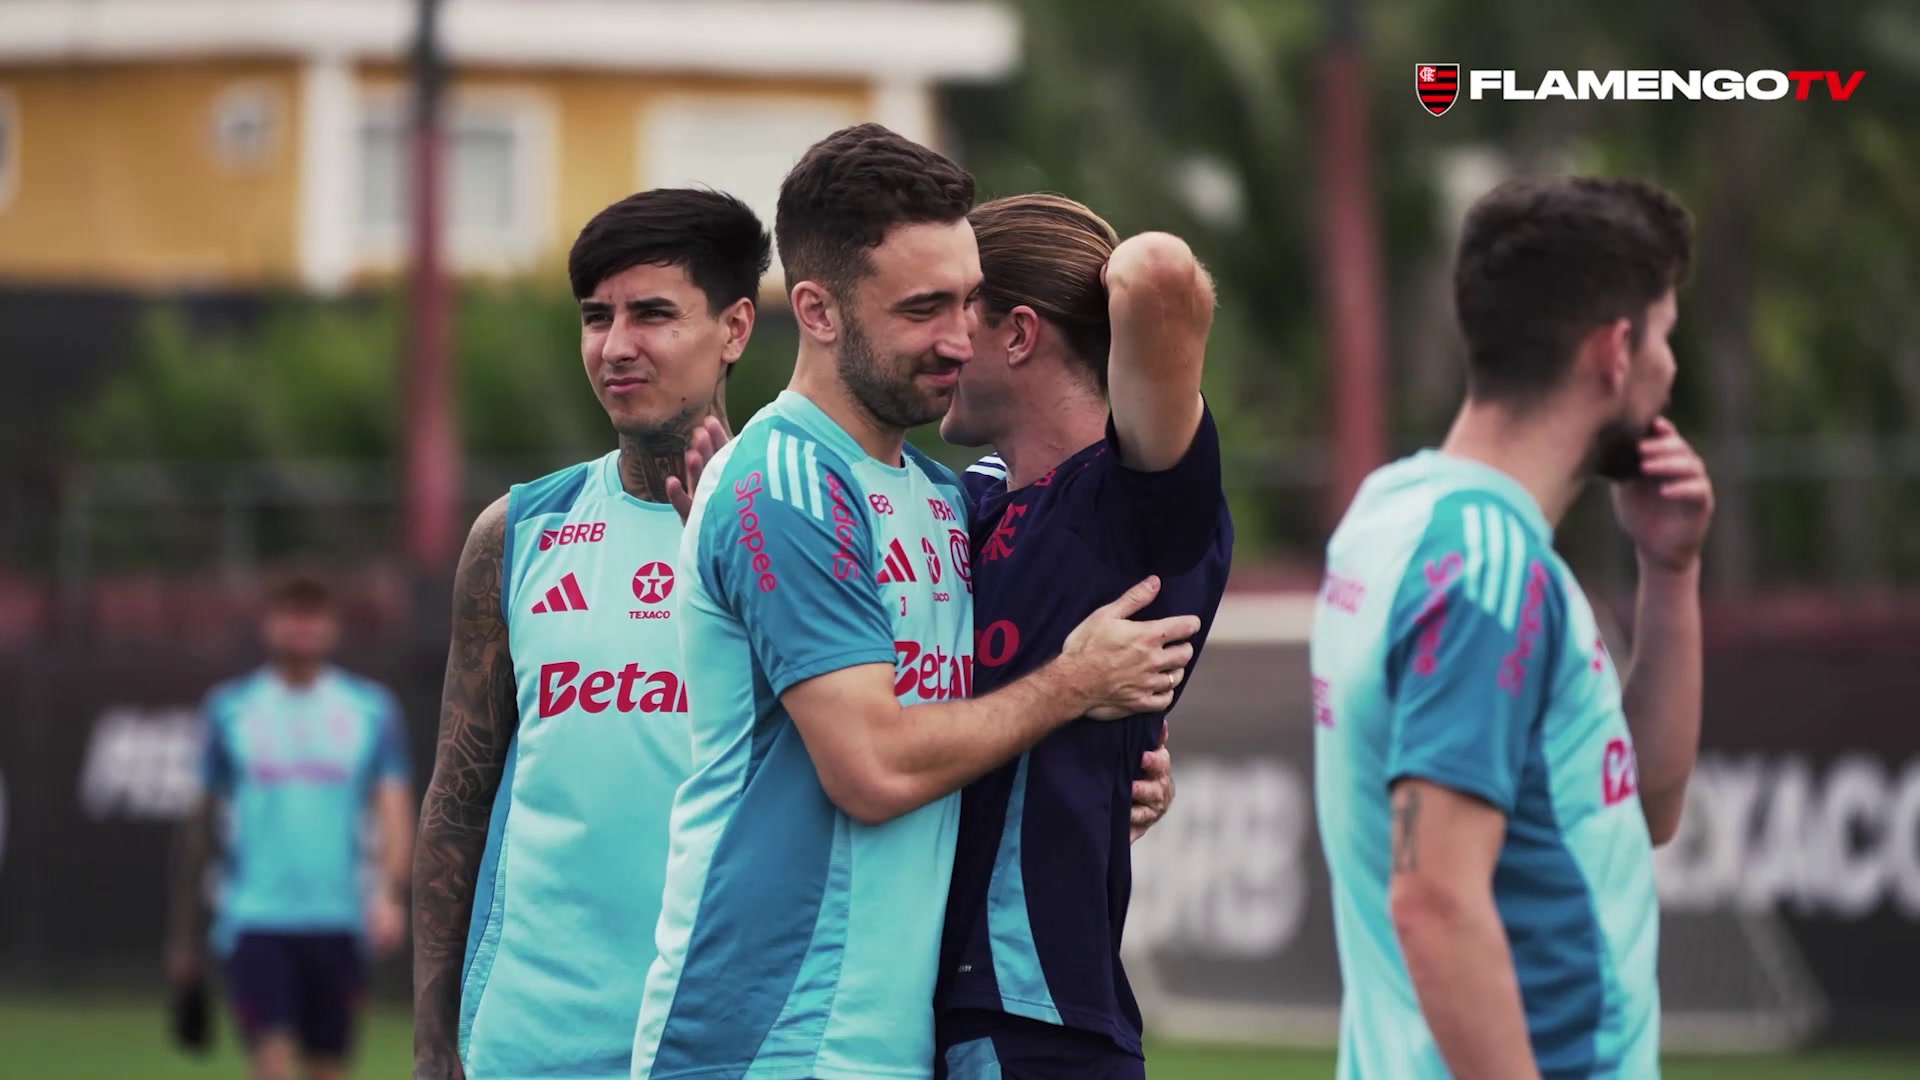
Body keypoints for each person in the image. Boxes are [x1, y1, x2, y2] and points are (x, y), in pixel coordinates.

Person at [631, 124, 1199, 1080]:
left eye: (972, 301)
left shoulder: (943, 498)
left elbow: (968, 721)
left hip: (891, 1042)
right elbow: (873, 769)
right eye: (923, 308)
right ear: (815, 309)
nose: (958, 337)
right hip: (763, 1041)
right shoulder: (786, 483)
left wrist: (1107, 769)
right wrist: (1073, 688)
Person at [1310, 176, 1713, 1080]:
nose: (1670, 369)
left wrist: (1670, 572)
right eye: (1666, 337)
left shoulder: (1398, 513)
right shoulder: (1489, 570)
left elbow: (1641, 805)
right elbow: (1434, 901)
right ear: (1616, 350)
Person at [409, 188, 762, 1080]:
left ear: (736, 329)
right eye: (596, 317)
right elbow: (457, 798)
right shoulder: (517, 532)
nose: (616, 346)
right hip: (532, 1043)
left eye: (653, 314)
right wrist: (431, 1041)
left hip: (732, 1036)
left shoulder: (802, 524)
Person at [932, 194, 1232, 1080]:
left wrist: (1083, 266)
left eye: (955, 309)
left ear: (1018, 333)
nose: (938, 342)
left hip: (1038, 1018)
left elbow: (1157, 271)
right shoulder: (968, 500)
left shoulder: (1135, 499)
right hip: (929, 1004)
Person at [165, 571, 414, 1080]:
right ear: (269, 624)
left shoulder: (370, 710)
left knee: (328, 1069)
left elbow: (394, 808)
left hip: (339, 920)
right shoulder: (230, 710)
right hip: (256, 919)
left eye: (314, 615)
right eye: (291, 614)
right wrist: (185, 939)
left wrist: (390, 892)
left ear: (333, 626)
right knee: (272, 1066)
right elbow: (201, 825)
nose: (302, 628)